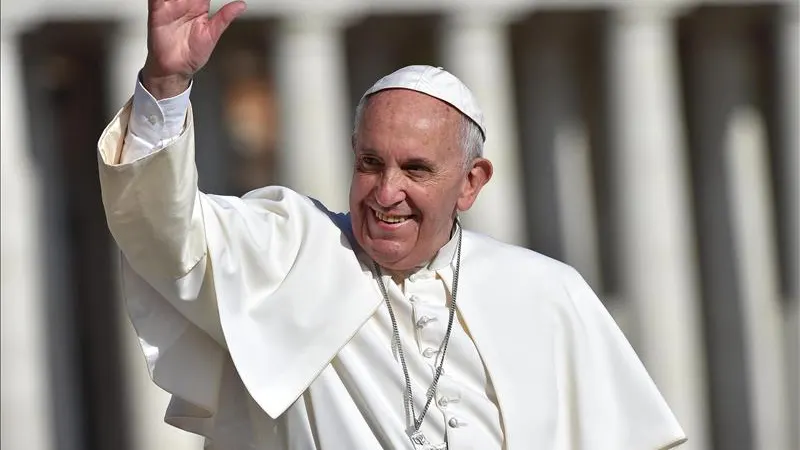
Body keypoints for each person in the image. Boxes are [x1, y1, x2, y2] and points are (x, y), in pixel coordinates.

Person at [97, 1, 688, 449]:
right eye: (370, 163)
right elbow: (163, 230)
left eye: (416, 170)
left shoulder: (548, 293)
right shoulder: (289, 252)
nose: (386, 193)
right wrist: (166, 85)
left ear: (472, 182)